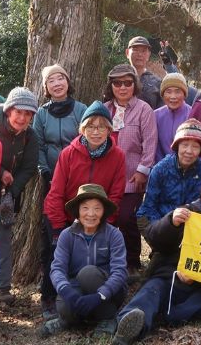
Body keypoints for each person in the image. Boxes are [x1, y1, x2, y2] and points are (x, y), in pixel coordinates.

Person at [111, 173, 201, 345]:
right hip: (173, 275)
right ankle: (126, 326)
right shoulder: (186, 212)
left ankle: (162, 317)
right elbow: (153, 237)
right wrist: (170, 222)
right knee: (152, 290)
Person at [43, 101, 126, 315]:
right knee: (56, 254)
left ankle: (100, 295)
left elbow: (116, 193)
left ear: (109, 129)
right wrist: (58, 226)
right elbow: (56, 191)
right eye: (91, 126)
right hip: (67, 214)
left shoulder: (117, 156)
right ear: (82, 129)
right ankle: (50, 297)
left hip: (98, 215)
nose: (96, 132)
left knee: (95, 258)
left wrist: (104, 221)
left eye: (101, 127)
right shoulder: (69, 153)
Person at [31, 63, 87, 318]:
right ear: (46, 87)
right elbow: (38, 145)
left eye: (60, 78)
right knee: (52, 232)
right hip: (51, 179)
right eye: (51, 80)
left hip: (78, 180)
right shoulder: (41, 114)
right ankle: (49, 290)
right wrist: (45, 170)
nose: (57, 83)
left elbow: (87, 140)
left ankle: (78, 282)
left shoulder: (81, 109)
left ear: (68, 81)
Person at [40, 184, 128, 338]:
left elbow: (120, 272)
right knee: (64, 306)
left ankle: (108, 318)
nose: (91, 214)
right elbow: (57, 269)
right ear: (78, 211)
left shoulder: (114, 235)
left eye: (97, 208)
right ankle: (69, 320)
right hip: (77, 288)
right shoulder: (67, 235)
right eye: (85, 208)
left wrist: (100, 295)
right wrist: (68, 292)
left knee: (88, 274)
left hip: (108, 292)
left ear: (104, 211)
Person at [103, 63, 158, 274]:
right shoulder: (105, 109)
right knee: (107, 217)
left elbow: (150, 142)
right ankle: (109, 261)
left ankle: (132, 261)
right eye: (117, 83)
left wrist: (143, 170)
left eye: (127, 83)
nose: (123, 87)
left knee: (126, 218)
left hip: (132, 175)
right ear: (111, 86)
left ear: (134, 85)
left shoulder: (144, 109)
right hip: (107, 176)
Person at [0, 87, 40, 304]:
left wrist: (12, 191)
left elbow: (29, 168)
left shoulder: (30, 136)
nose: (22, 118)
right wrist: (1, 172)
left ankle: (1, 287)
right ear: (8, 110)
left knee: (4, 234)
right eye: (18, 112)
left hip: (6, 192)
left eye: (28, 114)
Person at [137, 119, 201, 226]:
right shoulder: (160, 169)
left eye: (195, 147)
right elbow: (149, 206)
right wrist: (162, 227)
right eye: (185, 145)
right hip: (161, 219)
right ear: (177, 146)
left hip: (190, 222)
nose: (189, 151)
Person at [154, 73, 192, 159]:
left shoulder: (193, 114)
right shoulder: (155, 115)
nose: (173, 96)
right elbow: (154, 146)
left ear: (184, 94)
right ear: (163, 95)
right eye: (168, 92)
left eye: (178, 92)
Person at [125, 36, 163, 109]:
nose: (139, 54)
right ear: (127, 53)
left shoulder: (157, 83)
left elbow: (162, 111)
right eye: (135, 50)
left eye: (143, 51)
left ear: (149, 54)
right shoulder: (118, 80)